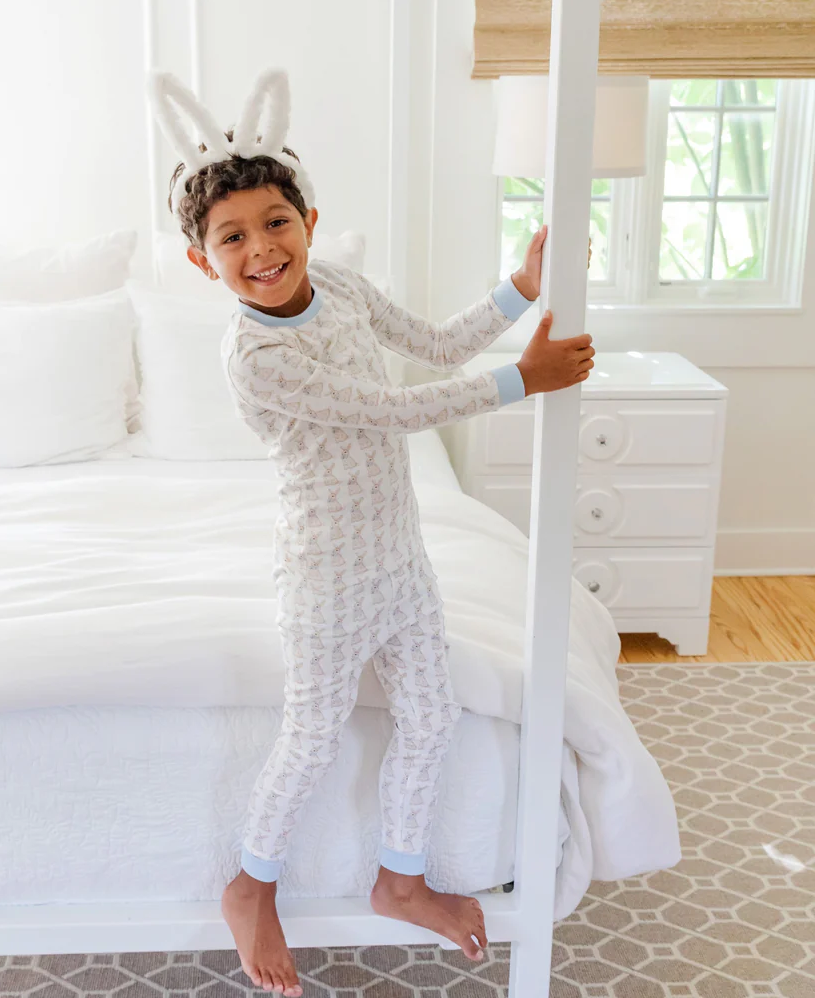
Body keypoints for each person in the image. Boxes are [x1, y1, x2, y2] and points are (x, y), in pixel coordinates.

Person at [150, 69, 595, 998]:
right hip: (326, 573)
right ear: (202, 260)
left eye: (276, 221)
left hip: (399, 554)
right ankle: (250, 884)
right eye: (232, 237)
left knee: (431, 716)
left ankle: (401, 878)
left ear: (309, 220)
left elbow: (434, 346)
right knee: (312, 735)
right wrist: (523, 380)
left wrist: (519, 290)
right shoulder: (256, 354)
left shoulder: (343, 287)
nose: (261, 247)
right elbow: (391, 409)